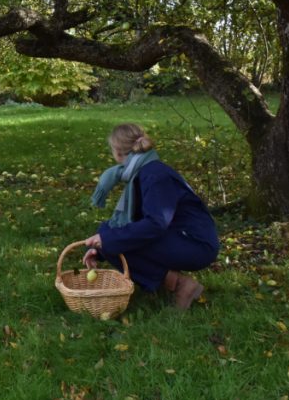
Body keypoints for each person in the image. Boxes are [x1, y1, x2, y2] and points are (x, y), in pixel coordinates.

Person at [82, 123, 220, 309]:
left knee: (111, 238)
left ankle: (180, 285)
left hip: (196, 243)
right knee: (109, 235)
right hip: (181, 236)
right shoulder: (143, 170)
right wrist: (100, 249)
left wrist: (107, 240)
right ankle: (171, 280)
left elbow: (155, 224)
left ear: (116, 151)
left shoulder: (155, 175)